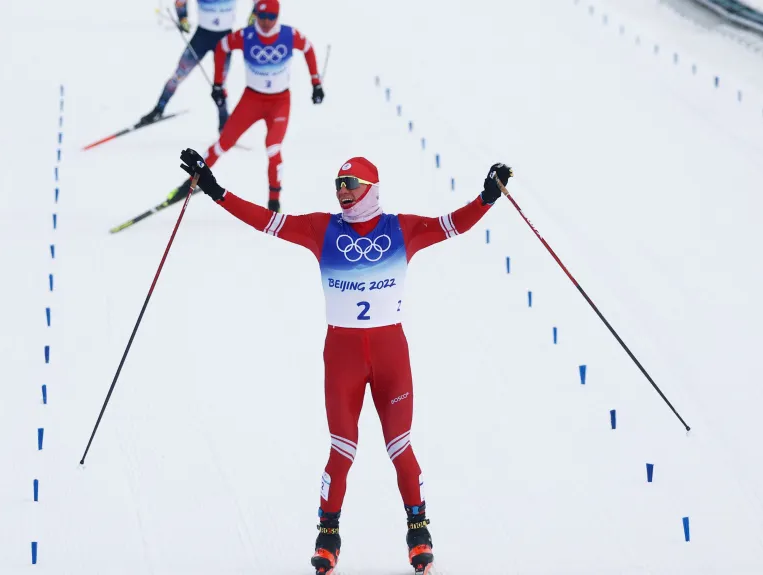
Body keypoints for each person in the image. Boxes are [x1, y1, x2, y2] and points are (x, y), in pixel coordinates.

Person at [177, 147, 512, 575]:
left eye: (351, 184)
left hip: (392, 358)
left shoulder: (401, 229)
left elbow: (451, 225)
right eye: (338, 184)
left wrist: (487, 197)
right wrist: (215, 190)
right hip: (343, 360)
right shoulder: (322, 229)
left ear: (371, 188)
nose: (343, 191)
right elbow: (266, 222)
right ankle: (327, 537)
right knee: (341, 449)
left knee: (400, 447)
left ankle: (419, 533)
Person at [167, 0, 323, 213]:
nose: (266, 22)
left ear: (278, 17)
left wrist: (316, 83)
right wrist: (219, 85)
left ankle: (274, 203)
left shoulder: (289, 35)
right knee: (224, 143)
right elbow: (222, 47)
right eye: (262, 17)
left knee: (273, 147)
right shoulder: (246, 36)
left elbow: (308, 48)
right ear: (256, 14)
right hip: (252, 99)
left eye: (271, 18)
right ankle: (191, 181)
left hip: (279, 102)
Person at [137, 0, 254, 132]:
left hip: (224, 39)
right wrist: (182, 18)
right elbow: (180, 2)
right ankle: (158, 109)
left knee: (220, 83)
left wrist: (255, 15)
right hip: (202, 37)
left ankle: (224, 121)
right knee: (178, 75)